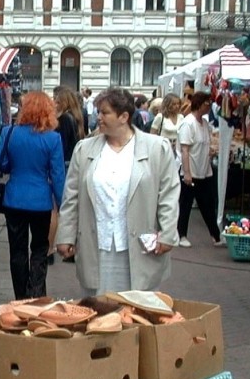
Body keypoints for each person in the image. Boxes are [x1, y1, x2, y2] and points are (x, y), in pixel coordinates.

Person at [56, 87, 180, 294]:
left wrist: (167, 233)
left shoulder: (157, 148)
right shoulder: (84, 149)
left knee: (138, 312)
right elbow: (71, 197)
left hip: (141, 247)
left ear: (124, 117)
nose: (99, 118)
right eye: (98, 112)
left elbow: (168, 194)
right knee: (100, 313)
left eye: (104, 113)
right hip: (96, 246)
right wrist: (66, 234)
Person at [0, 91, 66, 299]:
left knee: (17, 251)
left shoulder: (9, 132)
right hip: (41, 201)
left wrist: (12, 166)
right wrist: (62, 205)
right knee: (40, 249)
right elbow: (58, 176)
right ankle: (36, 292)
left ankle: (20, 297)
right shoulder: (53, 138)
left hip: (14, 199)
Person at [177, 91, 222, 247]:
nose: (209, 107)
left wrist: (211, 152)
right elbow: (185, 149)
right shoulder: (188, 123)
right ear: (199, 104)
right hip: (191, 171)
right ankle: (181, 234)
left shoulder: (204, 124)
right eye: (206, 103)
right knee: (186, 204)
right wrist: (187, 173)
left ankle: (215, 235)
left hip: (204, 170)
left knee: (207, 203)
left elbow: (204, 145)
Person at [48, 86, 85, 264]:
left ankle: (52, 248)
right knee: (70, 207)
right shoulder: (77, 116)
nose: (53, 101)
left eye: (55, 98)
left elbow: (60, 148)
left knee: (58, 208)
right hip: (72, 162)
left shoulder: (64, 119)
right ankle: (72, 247)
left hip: (64, 164)